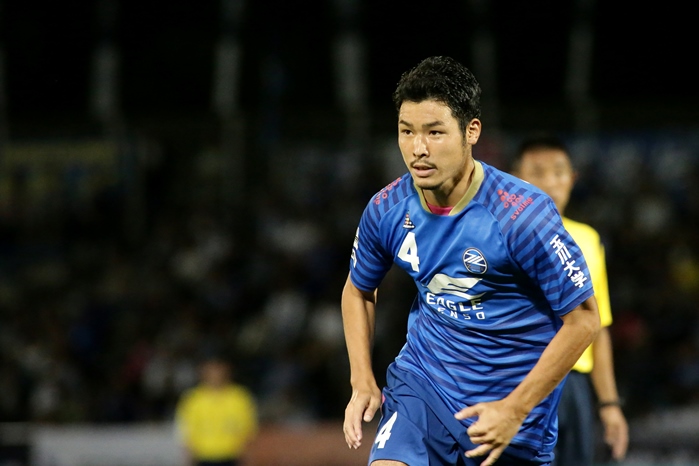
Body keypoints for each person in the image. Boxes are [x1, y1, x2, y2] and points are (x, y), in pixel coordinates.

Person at [341, 55, 601, 466]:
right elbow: (358, 290)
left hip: (511, 419)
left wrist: (514, 409)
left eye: (435, 132)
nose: (418, 149)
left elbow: (584, 320)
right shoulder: (386, 209)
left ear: (471, 131)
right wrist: (361, 380)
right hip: (423, 389)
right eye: (406, 131)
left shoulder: (523, 216)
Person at [511, 135, 629, 465]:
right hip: (517, 377)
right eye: (537, 172)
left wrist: (609, 404)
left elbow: (598, 327)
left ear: (572, 179)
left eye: (559, 171)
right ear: (515, 179)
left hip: (574, 385)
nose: (550, 182)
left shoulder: (588, 239)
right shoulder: (497, 235)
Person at [175, 354, 258, 466]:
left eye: (218, 370)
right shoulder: (192, 399)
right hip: (203, 457)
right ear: (203, 372)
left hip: (232, 456)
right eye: (211, 370)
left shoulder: (240, 397)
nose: (215, 375)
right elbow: (185, 431)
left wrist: (247, 456)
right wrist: (189, 457)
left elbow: (248, 429)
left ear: (227, 371)